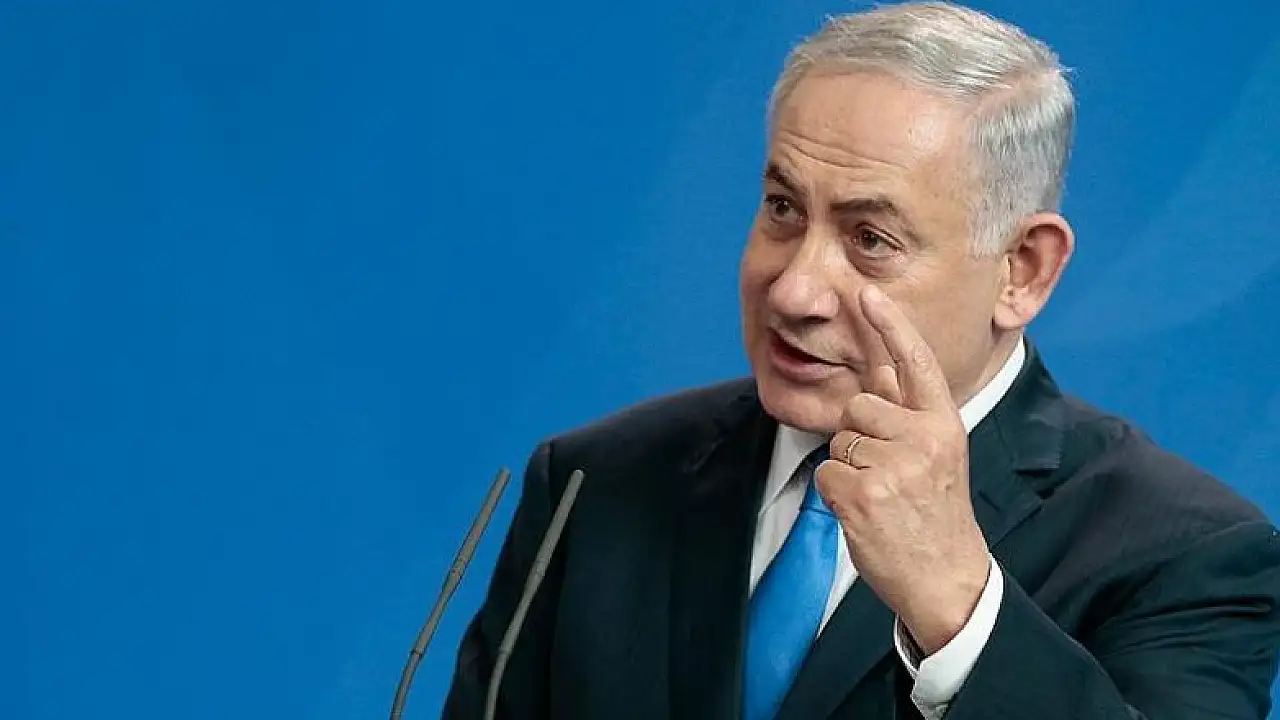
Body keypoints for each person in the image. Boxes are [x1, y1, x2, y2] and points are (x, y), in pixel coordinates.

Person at [443, 3, 1280, 718]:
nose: (795, 289)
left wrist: (959, 610)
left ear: (1021, 271)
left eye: (870, 239)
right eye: (782, 208)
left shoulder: (1190, 556)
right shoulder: (593, 483)